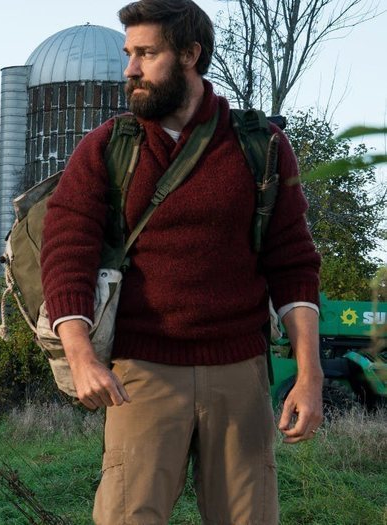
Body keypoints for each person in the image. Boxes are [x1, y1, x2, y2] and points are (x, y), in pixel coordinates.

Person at [40, 1, 323, 522]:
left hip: (240, 372)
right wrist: (81, 358)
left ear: (190, 55)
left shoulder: (261, 146)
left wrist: (310, 375)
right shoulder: (106, 148)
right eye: (129, 54)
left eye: (146, 54)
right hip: (140, 373)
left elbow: (294, 264)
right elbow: (65, 256)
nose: (130, 69)